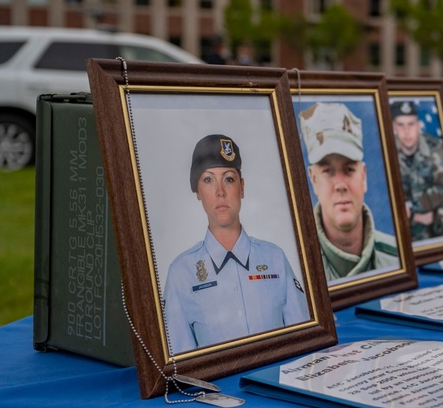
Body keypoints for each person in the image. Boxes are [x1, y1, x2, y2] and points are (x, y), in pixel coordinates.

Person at [163, 134, 309, 355]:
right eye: (209, 180)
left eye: (229, 179)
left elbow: (304, 340)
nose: (220, 191)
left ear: (241, 187)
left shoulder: (275, 258)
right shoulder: (181, 273)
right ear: (198, 192)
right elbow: (180, 365)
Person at [299, 102, 399, 281]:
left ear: (364, 176)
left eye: (349, 170)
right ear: (314, 180)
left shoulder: (397, 258)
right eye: (328, 171)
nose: (340, 185)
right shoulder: (298, 267)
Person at [391, 100, 443, 241]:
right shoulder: (386, 153)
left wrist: (412, 207)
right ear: (393, 127)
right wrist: (415, 216)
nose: (406, 131)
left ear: (418, 125)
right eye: (401, 125)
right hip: (403, 232)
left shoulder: (436, 149)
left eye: (411, 124)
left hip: (436, 225)